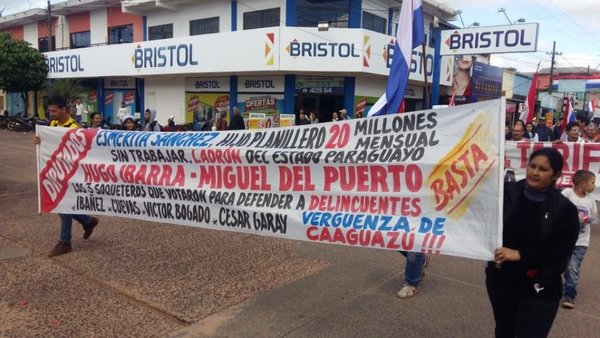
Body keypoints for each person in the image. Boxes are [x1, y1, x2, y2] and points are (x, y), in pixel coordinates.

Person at [486, 147, 579, 337]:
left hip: (539, 288)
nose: (535, 173)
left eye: (543, 169)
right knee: (504, 331)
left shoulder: (564, 209)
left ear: (556, 175)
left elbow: (560, 253)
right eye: (532, 166)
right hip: (501, 282)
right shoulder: (506, 193)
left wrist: (520, 254)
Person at [32, 95, 99, 257]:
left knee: (63, 205)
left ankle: (65, 242)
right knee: (62, 204)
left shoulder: (74, 127)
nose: (51, 114)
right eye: (50, 111)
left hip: (70, 172)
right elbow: (50, 145)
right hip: (57, 171)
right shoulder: (53, 124)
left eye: (54, 111)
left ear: (64, 109)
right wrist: (39, 141)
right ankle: (87, 221)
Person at [561, 170, 597, 309]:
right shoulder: (567, 194)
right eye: (592, 182)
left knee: (573, 267)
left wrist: (590, 219)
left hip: (581, 242)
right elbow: (557, 208)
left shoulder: (590, 200)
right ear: (583, 184)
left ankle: (569, 294)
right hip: (564, 239)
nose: (594, 186)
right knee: (564, 266)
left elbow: (595, 217)